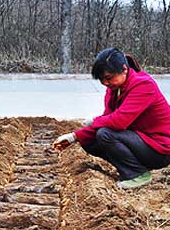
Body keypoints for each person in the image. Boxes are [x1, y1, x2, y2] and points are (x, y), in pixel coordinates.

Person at [53, 47, 170, 189]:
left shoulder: (144, 85)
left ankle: (137, 174)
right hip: (141, 140)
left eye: (108, 78)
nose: (105, 83)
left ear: (124, 69)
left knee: (105, 134)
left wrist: (92, 124)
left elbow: (118, 121)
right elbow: (108, 117)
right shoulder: (115, 88)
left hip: (160, 148)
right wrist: (75, 137)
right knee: (89, 140)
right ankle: (130, 168)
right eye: (101, 79)